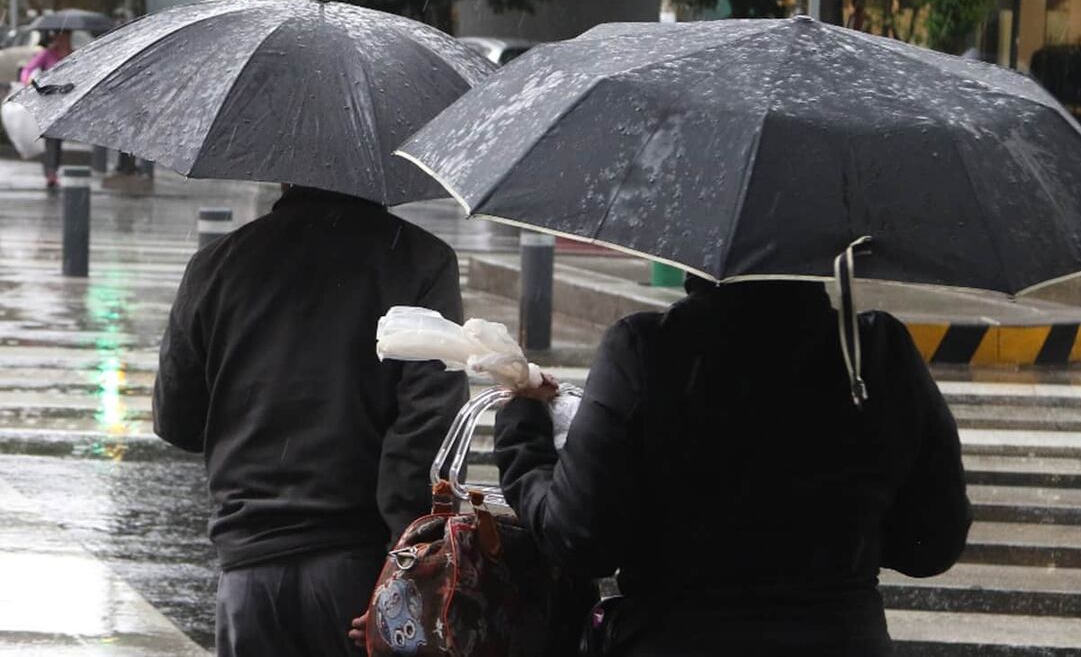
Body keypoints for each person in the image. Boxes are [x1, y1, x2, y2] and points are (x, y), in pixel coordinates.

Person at [491, 278, 971, 655]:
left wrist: (523, 434)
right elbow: (931, 545)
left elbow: (579, 539)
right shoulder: (878, 355)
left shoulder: (648, 349)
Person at [153, 185, 469, 657]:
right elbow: (427, 429)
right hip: (359, 569)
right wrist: (403, 571)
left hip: (247, 569)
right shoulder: (420, 261)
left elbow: (176, 420)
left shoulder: (218, 263)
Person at [20, 29, 72, 190]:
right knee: (52, 138)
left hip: (67, 100)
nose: (59, 39)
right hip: (49, 101)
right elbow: (27, 69)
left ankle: (53, 169)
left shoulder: (75, 54)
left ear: (68, 37)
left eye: (63, 36)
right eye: (57, 35)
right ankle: (51, 172)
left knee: (57, 139)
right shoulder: (47, 54)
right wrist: (27, 81)